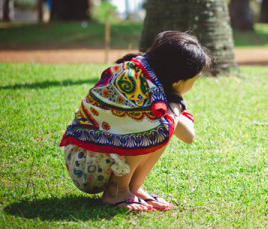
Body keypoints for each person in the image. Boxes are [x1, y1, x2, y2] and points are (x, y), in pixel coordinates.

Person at [60, 30, 210, 212]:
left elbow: (188, 135)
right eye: (194, 79)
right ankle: (117, 191)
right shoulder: (135, 81)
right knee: (155, 125)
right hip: (85, 164)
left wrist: (175, 102)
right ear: (179, 80)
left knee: (165, 123)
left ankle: (131, 188)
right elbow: (175, 131)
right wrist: (176, 102)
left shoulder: (151, 80)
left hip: (97, 160)